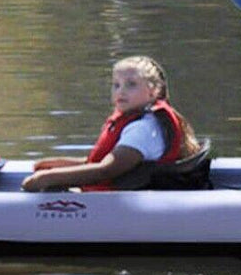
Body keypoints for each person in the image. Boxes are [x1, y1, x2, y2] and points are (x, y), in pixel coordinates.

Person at [22, 56, 201, 192]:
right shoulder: (139, 120)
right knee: (43, 168)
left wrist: (45, 179)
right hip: (124, 190)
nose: (120, 91)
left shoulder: (143, 130)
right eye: (116, 85)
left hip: (128, 202)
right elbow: (101, 161)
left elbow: (106, 171)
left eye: (131, 85)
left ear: (154, 91)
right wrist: (57, 165)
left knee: (43, 178)